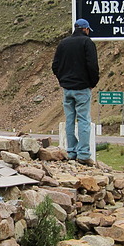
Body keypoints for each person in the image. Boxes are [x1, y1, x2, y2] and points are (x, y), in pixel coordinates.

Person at [52, 18, 99, 166]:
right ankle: (84, 154)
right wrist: (92, 83)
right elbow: (92, 65)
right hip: (82, 88)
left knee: (70, 120)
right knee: (84, 119)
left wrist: (62, 81)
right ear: (85, 29)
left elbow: (55, 66)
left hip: (67, 88)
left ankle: (71, 151)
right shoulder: (87, 43)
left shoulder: (63, 43)